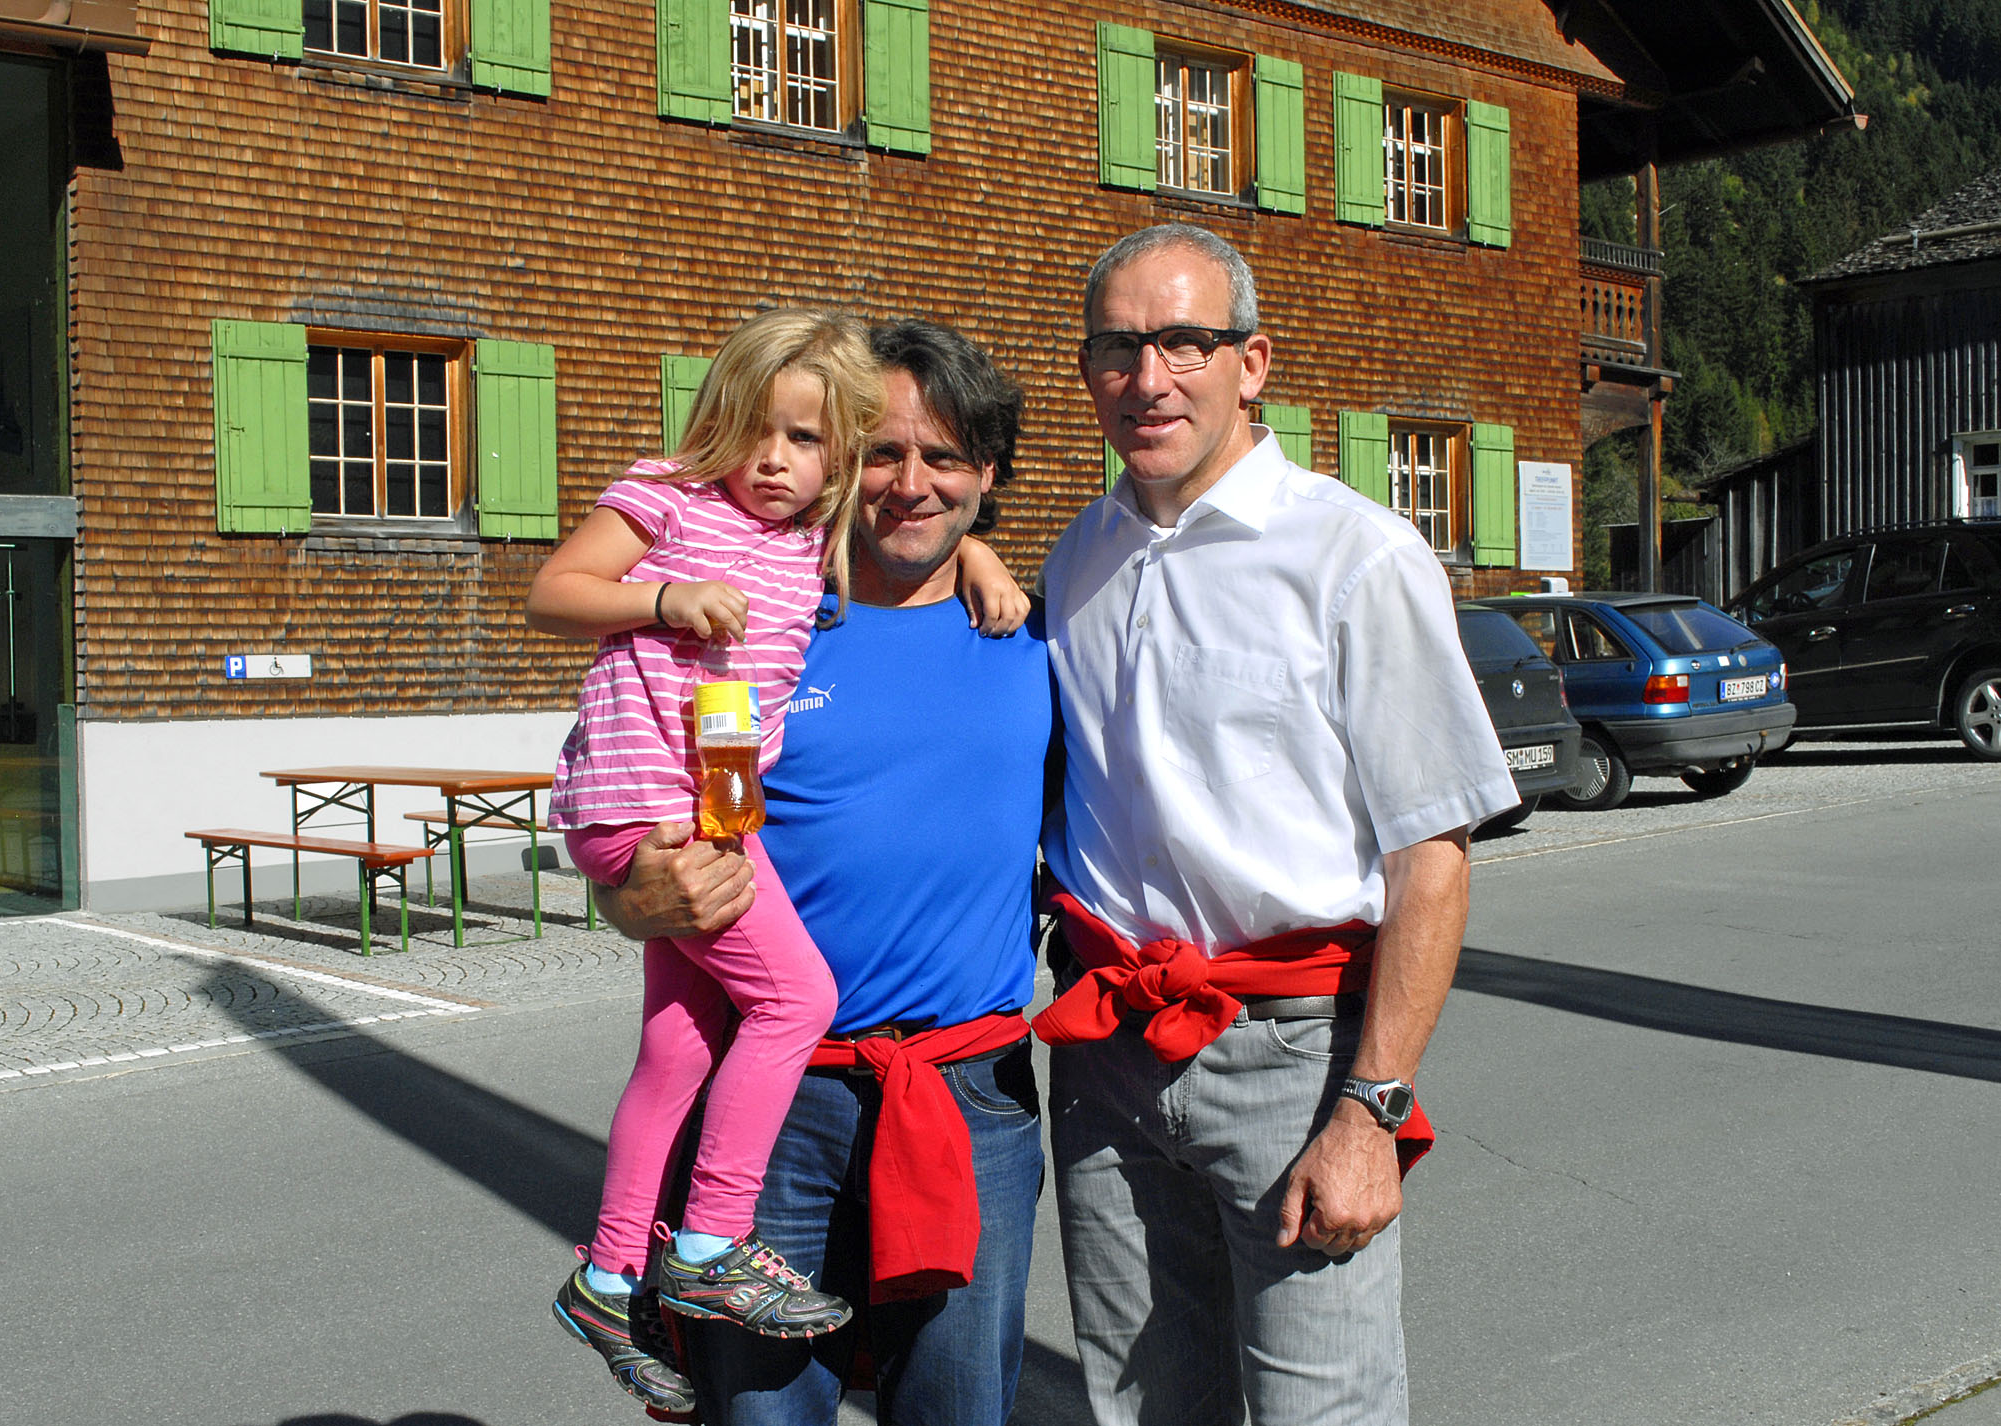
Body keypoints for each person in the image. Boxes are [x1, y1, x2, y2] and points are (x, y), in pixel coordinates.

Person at [1033, 223, 1518, 1426]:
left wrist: (1373, 1109)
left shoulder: (1356, 555)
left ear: (1252, 364)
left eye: (1184, 342)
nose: (1149, 378)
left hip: (1295, 1061)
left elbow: (1431, 859)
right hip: (1109, 1055)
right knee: (1143, 1409)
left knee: (1322, 1411)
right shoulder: (1078, 558)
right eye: (1117, 348)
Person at [523, 308, 1027, 1416]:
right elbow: (586, 639)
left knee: (954, 1404)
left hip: (967, 1097)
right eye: (884, 453)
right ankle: (676, 1257)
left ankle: (615, 1272)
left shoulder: (1020, 630)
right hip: (782, 1101)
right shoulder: (755, 564)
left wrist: (981, 554)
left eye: (945, 458)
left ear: (987, 475)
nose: (910, 484)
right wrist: (625, 898)